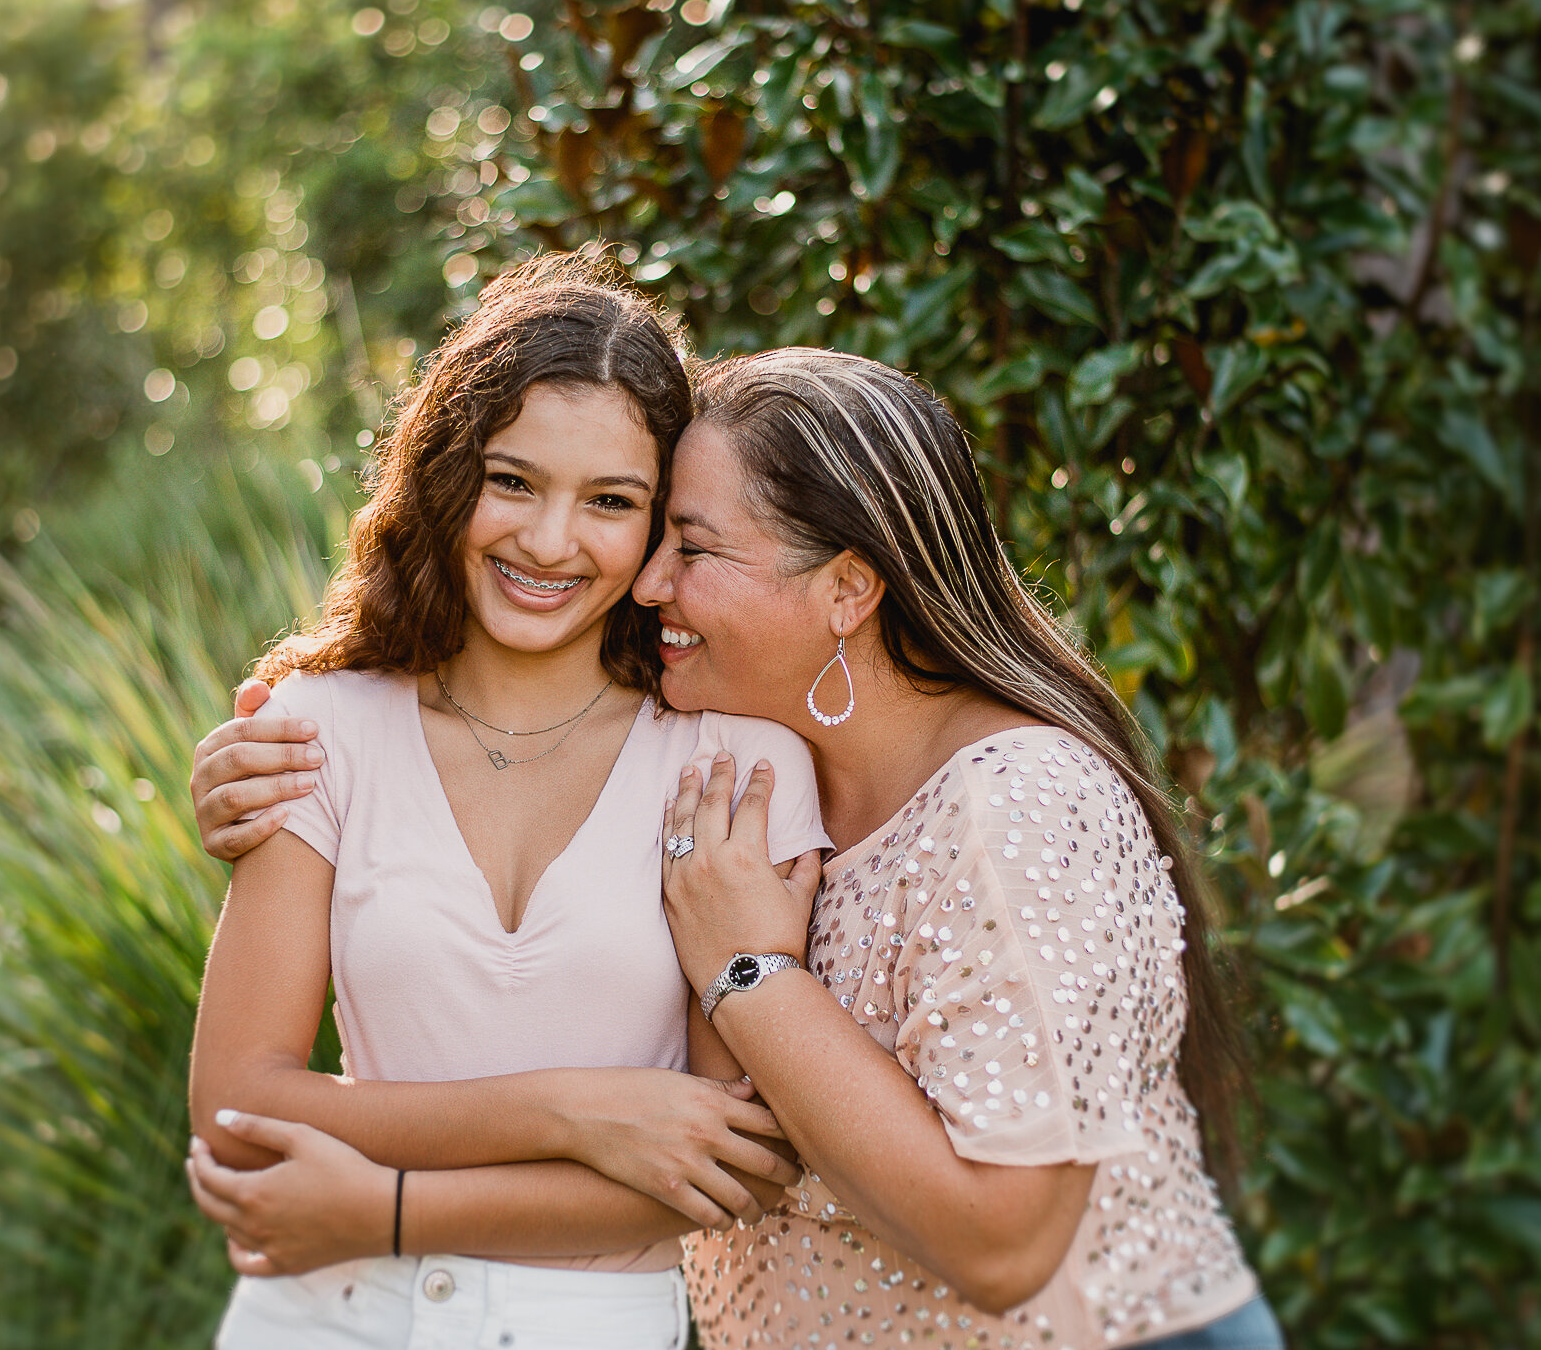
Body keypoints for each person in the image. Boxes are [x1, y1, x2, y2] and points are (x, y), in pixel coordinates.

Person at [190, 346, 1283, 1350]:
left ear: (850, 589)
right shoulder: (772, 767)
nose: (645, 578)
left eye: (686, 544)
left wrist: (748, 972)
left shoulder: (1014, 809)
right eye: (657, 533)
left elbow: (995, 1240)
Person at [187, 247, 829, 1350]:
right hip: (319, 1317)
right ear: (447, 476)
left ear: (659, 526)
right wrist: (575, 1112)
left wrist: (381, 1197)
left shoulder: (734, 765)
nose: (546, 541)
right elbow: (240, 1113)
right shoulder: (319, 725)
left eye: (611, 501)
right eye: (514, 480)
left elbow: (733, 1165)